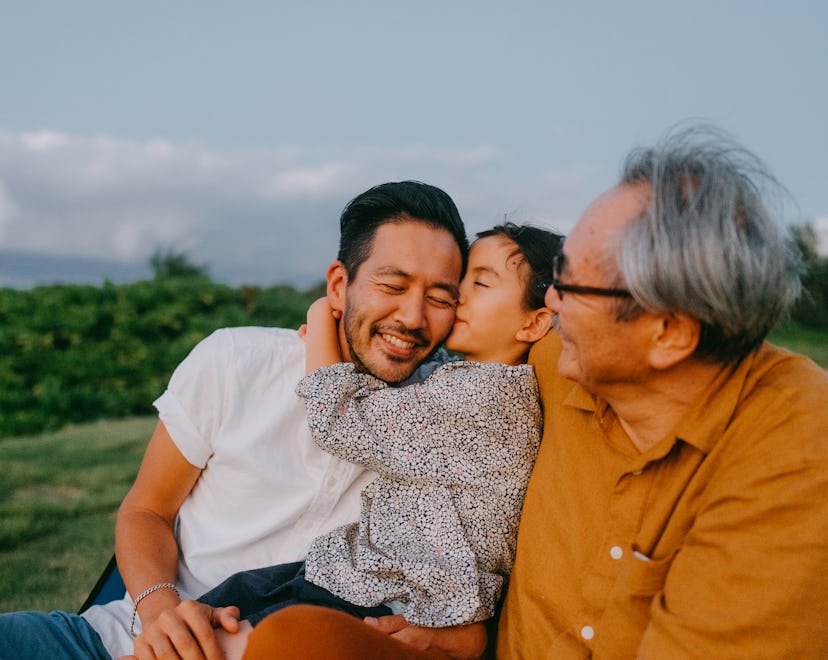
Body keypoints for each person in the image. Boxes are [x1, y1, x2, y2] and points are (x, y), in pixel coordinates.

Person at [241, 125, 828, 659]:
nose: (549, 303)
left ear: (669, 333)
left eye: (569, 284)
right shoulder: (556, 357)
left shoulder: (791, 455)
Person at [0, 180, 486, 660]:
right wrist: (162, 613)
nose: (413, 317)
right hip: (119, 640)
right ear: (339, 285)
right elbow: (147, 509)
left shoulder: (450, 415)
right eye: (393, 285)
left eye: (441, 298)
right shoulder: (235, 361)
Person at [180, 223, 560, 659]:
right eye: (458, 285)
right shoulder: (475, 382)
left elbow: (341, 419)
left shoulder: (489, 398)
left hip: (394, 595)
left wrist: (322, 316)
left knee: (220, 640)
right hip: (367, 575)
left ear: (534, 322)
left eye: (480, 283)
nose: (458, 297)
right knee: (222, 606)